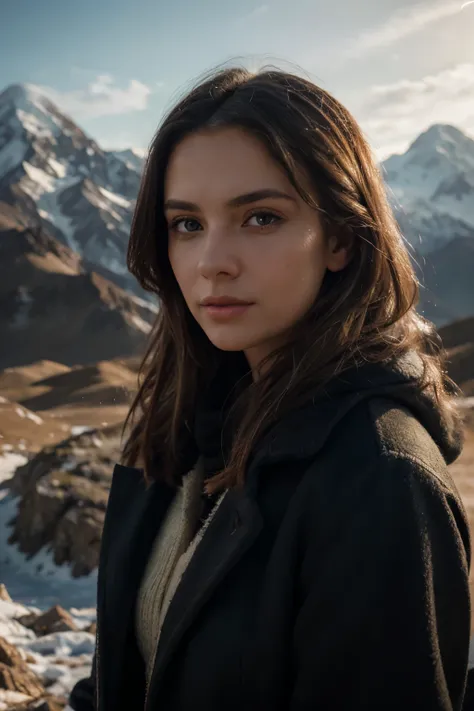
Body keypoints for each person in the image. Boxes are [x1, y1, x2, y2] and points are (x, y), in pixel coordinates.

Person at [68, 65, 472, 711]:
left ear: (339, 236)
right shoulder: (189, 422)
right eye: (187, 224)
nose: (212, 262)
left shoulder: (380, 479)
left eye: (260, 217)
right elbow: (125, 669)